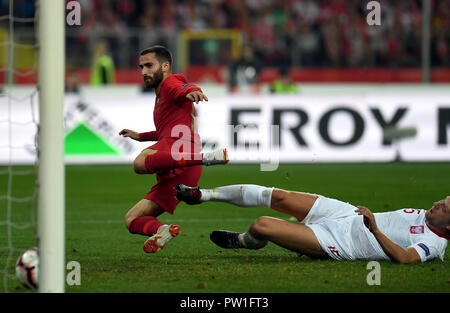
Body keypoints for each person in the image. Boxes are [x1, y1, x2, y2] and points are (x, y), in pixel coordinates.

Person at [119, 45, 228, 254]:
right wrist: (140, 136)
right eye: (141, 67)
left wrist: (193, 91)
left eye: (149, 66)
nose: (144, 72)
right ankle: (162, 231)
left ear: (165, 66)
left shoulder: (169, 82)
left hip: (179, 150)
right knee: (132, 219)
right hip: (181, 168)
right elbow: (163, 130)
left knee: (139, 163)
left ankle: (203, 158)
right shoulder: (161, 95)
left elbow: (184, 86)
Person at [176, 184, 449, 263]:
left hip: (340, 243)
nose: (437, 203)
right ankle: (202, 195)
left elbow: (405, 258)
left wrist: (374, 229)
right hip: (346, 213)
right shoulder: (429, 214)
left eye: (444, 207)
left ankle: (244, 241)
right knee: (278, 196)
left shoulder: (434, 243)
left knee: (261, 225)